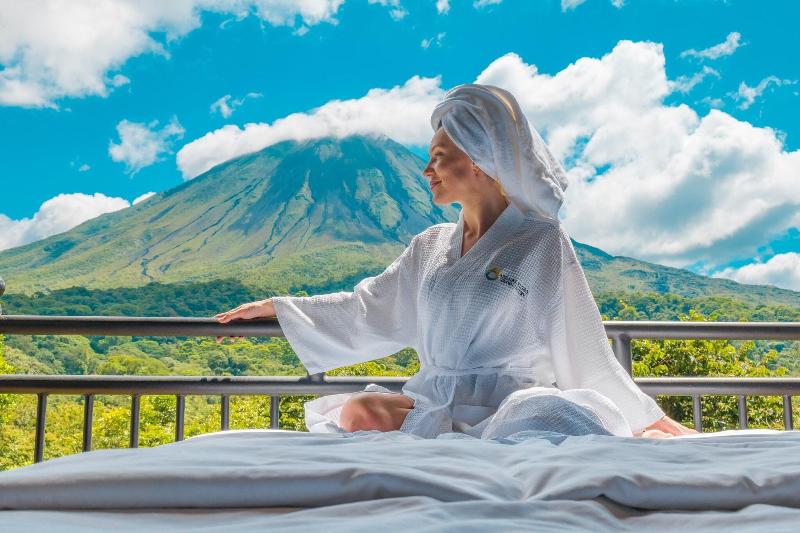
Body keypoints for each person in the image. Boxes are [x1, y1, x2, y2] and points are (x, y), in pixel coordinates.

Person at [214, 83, 696, 440]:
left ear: (481, 161)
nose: (426, 171)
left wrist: (648, 418)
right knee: (362, 409)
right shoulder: (430, 245)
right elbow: (370, 307)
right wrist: (282, 309)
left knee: (546, 414)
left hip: (510, 403)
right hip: (433, 400)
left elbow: (581, 340)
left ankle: (630, 434)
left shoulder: (539, 242)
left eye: (439, 157)